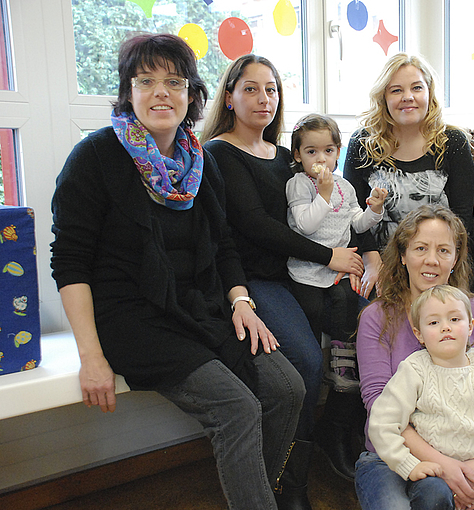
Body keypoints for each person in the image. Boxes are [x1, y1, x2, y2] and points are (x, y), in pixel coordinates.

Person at [50, 34, 304, 510]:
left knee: (287, 388)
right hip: (132, 317)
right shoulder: (94, 158)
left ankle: (254, 494)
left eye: (174, 81)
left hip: (199, 308)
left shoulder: (199, 160)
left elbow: (224, 244)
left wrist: (241, 303)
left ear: (192, 95)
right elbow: (69, 262)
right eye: (146, 81)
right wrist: (91, 355)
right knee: (237, 408)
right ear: (129, 92)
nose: (161, 92)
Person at [201, 54, 363, 505]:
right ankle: (289, 483)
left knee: (350, 338)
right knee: (308, 365)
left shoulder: (286, 157)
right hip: (257, 281)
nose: (263, 98)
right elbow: (257, 226)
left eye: (270, 89)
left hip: (300, 276)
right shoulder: (219, 152)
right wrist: (330, 257)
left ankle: (336, 441)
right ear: (230, 96)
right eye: (250, 88)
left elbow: (318, 212)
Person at [356, 205, 474, 510]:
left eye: (443, 250)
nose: (432, 260)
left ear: (455, 258)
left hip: (472, 454)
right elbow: (380, 409)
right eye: (421, 248)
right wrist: (444, 465)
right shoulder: (377, 317)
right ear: (403, 255)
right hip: (392, 453)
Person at [369, 284, 474, 493]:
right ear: (419, 334)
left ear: (470, 326)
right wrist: (409, 464)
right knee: (434, 495)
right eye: (434, 322)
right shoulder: (413, 370)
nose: (445, 327)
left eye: (454, 319)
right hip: (434, 473)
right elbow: (381, 422)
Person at [343, 52, 474, 295]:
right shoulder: (363, 144)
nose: (408, 97)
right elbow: (351, 213)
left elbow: (463, 217)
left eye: (416, 88)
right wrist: (372, 261)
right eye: (396, 90)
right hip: (379, 261)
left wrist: (446, 268)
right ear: (383, 97)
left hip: (439, 263)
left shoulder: (453, 142)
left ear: (429, 92)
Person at [286, 113, 387, 393]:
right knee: (313, 309)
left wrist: (374, 211)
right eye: (311, 151)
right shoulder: (299, 184)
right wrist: (324, 194)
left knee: (344, 299)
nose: (321, 159)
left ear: (338, 153)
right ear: (298, 155)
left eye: (328, 151)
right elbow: (306, 225)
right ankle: (314, 363)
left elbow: (356, 222)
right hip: (307, 267)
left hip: (338, 268)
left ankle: (341, 360)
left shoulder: (345, 186)